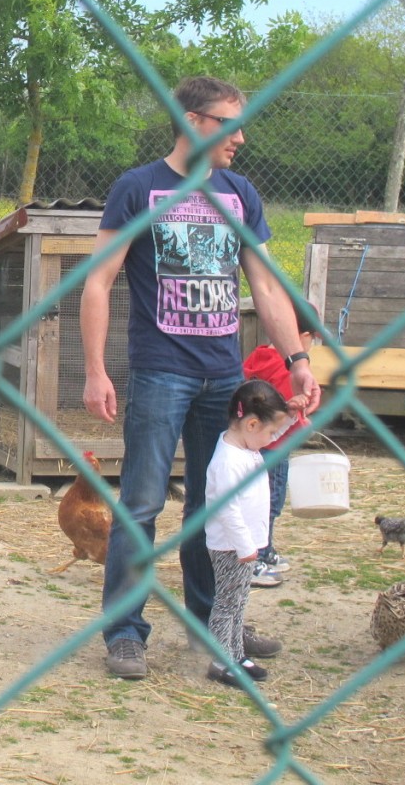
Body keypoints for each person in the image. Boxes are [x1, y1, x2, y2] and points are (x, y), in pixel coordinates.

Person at [80, 75, 321, 681]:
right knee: (142, 501)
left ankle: (218, 625)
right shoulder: (138, 189)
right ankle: (126, 634)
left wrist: (298, 362)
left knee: (217, 502)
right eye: (228, 124)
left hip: (223, 376)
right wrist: (93, 369)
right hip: (161, 373)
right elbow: (98, 280)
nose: (239, 138)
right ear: (191, 121)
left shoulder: (239, 194)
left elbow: (266, 286)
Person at [204, 378, 306, 688]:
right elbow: (227, 508)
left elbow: (276, 428)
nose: (273, 438)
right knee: (226, 604)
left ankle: (236, 653)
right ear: (250, 424)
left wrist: (290, 415)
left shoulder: (245, 445)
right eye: (269, 432)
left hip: (245, 545)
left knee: (239, 602)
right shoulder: (228, 461)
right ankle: (221, 660)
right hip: (231, 546)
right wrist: (245, 546)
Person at [243, 301, 321, 587]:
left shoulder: (261, 356)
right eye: (312, 338)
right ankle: (258, 557)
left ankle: (266, 550)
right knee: (270, 504)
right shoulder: (286, 369)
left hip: (253, 443)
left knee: (255, 500)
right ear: (302, 337)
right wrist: (303, 424)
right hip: (274, 449)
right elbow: (287, 410)